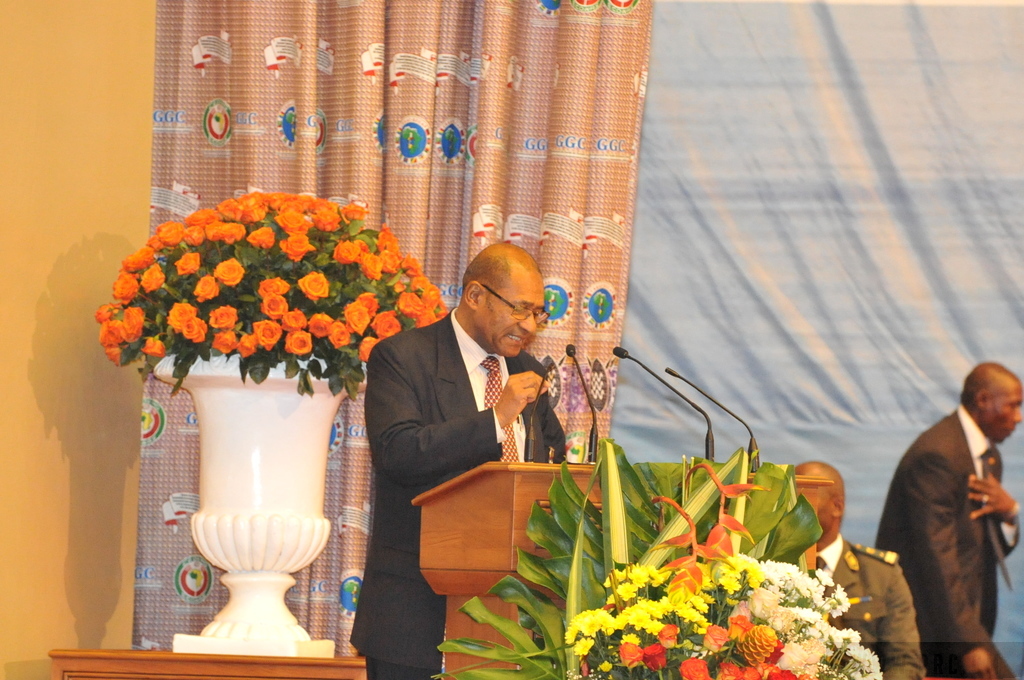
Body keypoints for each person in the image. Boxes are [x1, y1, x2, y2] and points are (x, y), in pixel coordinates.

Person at [350, 243, 567, 680]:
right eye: (519, 309)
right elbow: (397, 452)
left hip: (516, 622)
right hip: (414, 614)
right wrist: (497, 419)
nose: (528, 325)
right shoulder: (403, 357)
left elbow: (551, 465)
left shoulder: (527, 369)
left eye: (537, 314)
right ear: (475, 295)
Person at [876, 363, 1022, 679]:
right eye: (1013, 405)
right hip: (931, 626)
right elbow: (935, 557)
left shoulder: (988, 456)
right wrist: (969, 643)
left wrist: (1009, 514)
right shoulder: (937, 455)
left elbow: (982, 549)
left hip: (964, 621)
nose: (1019, 417)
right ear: (983, 400)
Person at [796, 461, 925, 680]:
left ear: (837, 506)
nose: (793, 509)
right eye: (788, 499)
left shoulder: (880, 575)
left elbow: (905, 662)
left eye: (803, 498)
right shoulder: (771, 570)